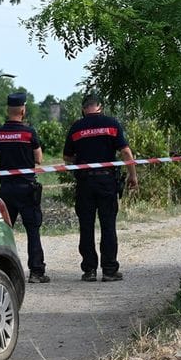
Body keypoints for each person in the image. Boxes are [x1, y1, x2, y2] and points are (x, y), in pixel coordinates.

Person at [62, 93, 138, 282]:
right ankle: (109, 270)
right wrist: (132, 175)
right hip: (107, 182)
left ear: (83, 109)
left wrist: (82, 159)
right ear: (100, 106)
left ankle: (89, 270)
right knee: (108, 225)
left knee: (86, 227)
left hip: (85, 183)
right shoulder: (112, 124)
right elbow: (126, 152)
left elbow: (67, 157)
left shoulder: (76, 127)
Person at [0, 92, 49, 283]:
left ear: (8, 110)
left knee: (4, 232)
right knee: (32, 231)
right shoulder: (29, 133)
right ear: (23, 110)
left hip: (6, 189)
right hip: (26, 188)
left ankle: (5, 271)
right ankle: (36, 272)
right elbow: (39, 159)